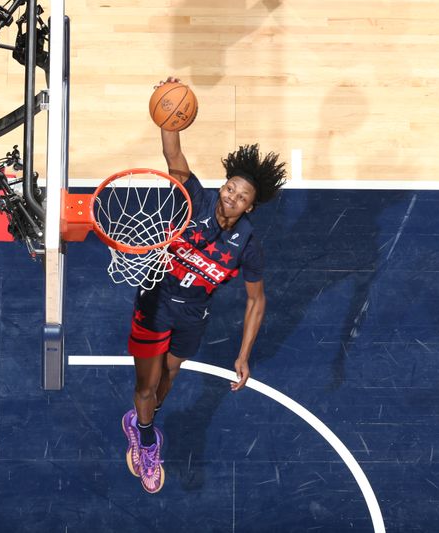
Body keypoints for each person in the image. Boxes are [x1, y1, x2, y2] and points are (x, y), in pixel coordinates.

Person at [121, 77, 287, 494]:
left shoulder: (247, 242)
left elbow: (256, 302)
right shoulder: (191, 197)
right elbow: (172, 150)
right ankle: (144, 438)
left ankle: (143, 417)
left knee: (167, 381)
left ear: (251, 205)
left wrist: (244, 355)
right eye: (231, 187)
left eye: (242, 195)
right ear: (223, 185)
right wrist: (168, 111)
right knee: (146, 384)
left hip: (193, 316)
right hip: (156, 302)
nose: (232, 196)